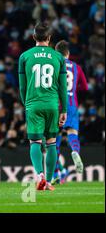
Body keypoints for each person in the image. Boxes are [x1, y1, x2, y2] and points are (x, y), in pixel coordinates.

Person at [18, 22, 67, 191]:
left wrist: (26, 104)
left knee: (35, 142)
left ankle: (40, 175)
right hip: (52, 105)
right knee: (52, 142)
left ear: (33, 37)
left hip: (33, 104)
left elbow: (22, 87)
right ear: (49, 38)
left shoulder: (24, 56)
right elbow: (62, 87)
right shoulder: (58, 57)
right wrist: (64, 110)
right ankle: (50, 179)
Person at [52, 40, 88, 184]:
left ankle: (56, 173)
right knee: (72, 132)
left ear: (56, 53)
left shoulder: (53, 65)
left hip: (55, 105)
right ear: (68, 53)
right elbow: (85, 87)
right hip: (71, 105)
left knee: (53, 141)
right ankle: (75, 150)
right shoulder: (76, 67)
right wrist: (73, 90)